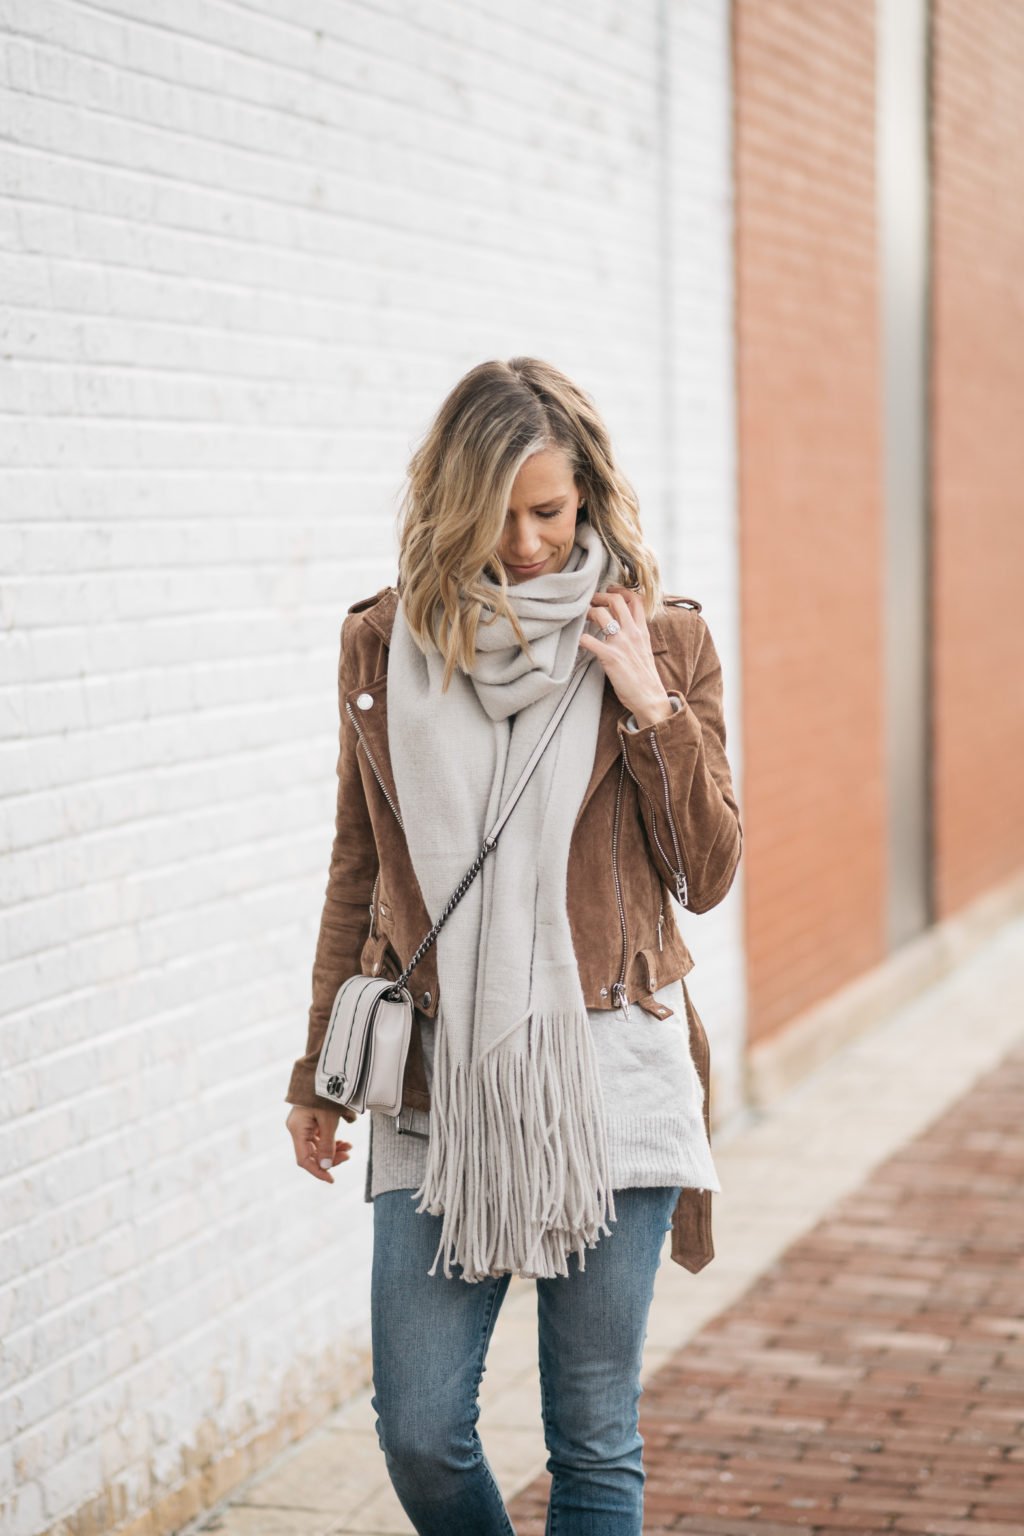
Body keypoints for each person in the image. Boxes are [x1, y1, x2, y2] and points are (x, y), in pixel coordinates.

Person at [284, 356, 743, 1535]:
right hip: (439, 1079)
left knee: (592, 1436)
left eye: (548, 510)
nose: (528, 543)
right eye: (497, 515)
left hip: (613, 1070)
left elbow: (707, 873)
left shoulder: (662, 638)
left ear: (586, 491)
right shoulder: (384, 643)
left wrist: (650, 707)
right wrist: (315, 1075)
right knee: (420, 1429)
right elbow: (358, 866)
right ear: (451, 502)